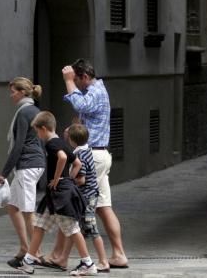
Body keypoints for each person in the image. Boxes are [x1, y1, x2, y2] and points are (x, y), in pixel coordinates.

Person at [62, 59, 128, 267]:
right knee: (103, 207)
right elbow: (85, 109)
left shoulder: (96, 91)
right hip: (99, 155)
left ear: (85, 77)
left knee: (77, 206)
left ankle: (62, 257)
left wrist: (67, 81)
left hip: (93, 156)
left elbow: (81, 104)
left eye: (78, 80)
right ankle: (118, 254)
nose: (78, 85)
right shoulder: (97, 90)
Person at [15, 111, 97, 276]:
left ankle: (88, 264)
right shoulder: (62, 141)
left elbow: (62, 158)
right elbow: (78, 164)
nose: (38, 135)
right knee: (39, 226)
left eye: (38, 131)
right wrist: (68, 179)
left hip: (60, 195)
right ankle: (28, 261)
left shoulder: (52, 144)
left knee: (72, 228)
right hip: (58, 193)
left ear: (44, 129)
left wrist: (58, 178)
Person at [0, 77, 46, 268]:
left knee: (27, 211)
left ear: (23, 92)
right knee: (12, 206)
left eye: (13, 91)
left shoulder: (24, 113)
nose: (11, 95)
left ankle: (35, 253)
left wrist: (4, 172)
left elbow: (18, 145)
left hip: (27, 165)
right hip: (33, 163)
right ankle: (25, 248)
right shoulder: (35, 110)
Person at [48, 124, 110, 272]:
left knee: (91, 229)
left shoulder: (80, 155)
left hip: (87, 197)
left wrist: (66, 181)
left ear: (72, 140)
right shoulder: (87, 150)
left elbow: (81, 179)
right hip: (88, 196)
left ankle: (103, 261)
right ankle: (63, 259)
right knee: (74, 228)